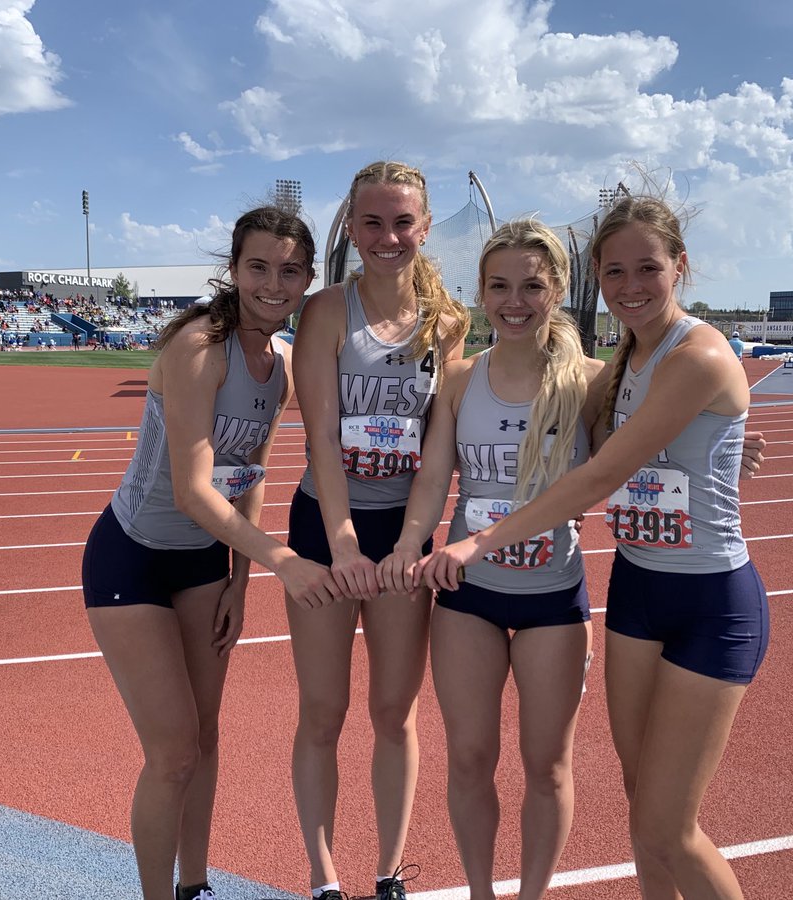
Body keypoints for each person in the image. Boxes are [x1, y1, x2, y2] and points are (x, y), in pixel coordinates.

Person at [418, 194, 769, 899]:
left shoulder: (693, 353)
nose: (631, 286)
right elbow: (641, 442)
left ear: (681, 266)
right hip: (637, 592)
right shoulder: (624, 362)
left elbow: (603, 471)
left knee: (670, 826)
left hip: (708, 600)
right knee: (645, 816)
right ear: (598, 282)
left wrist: (480, 540)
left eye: (648, 268)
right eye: (616, 272)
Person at [81, 207, 341, 900]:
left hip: (205, 564)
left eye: (290, 271)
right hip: (130, 558)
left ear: (308, 280)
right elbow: (196, 492)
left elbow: (248, 472)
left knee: (206, 736)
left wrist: (240, 581)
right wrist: (284, 560)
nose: (273, 283)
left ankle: (195, 885)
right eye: (258, 267)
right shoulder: (199, 348)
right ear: (234, 270)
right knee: (171, 754)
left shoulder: (281, 366)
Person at [378, 220, 602, 899]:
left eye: (532, 286)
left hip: (553, 598)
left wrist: (724, 447)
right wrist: (405, 543)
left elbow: (651, 442)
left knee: (549, 767)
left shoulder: (592, 381)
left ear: (557, 290)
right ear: (481, 291)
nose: (515, 301)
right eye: (500, 285)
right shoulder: (460, 379)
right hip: (468, 597)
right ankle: (481, 893)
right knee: (471, 758)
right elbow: (431, 479)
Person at [288, 160, 470, 900]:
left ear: (424, 229)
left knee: (395, 711)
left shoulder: (449, 322)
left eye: (403, 222)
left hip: (405, 530)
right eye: (373, 222)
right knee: (323, 711)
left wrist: (405, 543)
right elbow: (320, 439)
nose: (389, 236)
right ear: (352, 229)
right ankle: (323, 875)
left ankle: (389, 872)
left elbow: (438, 451)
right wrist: (342, 544)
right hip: (326, 524)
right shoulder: (329, 312)